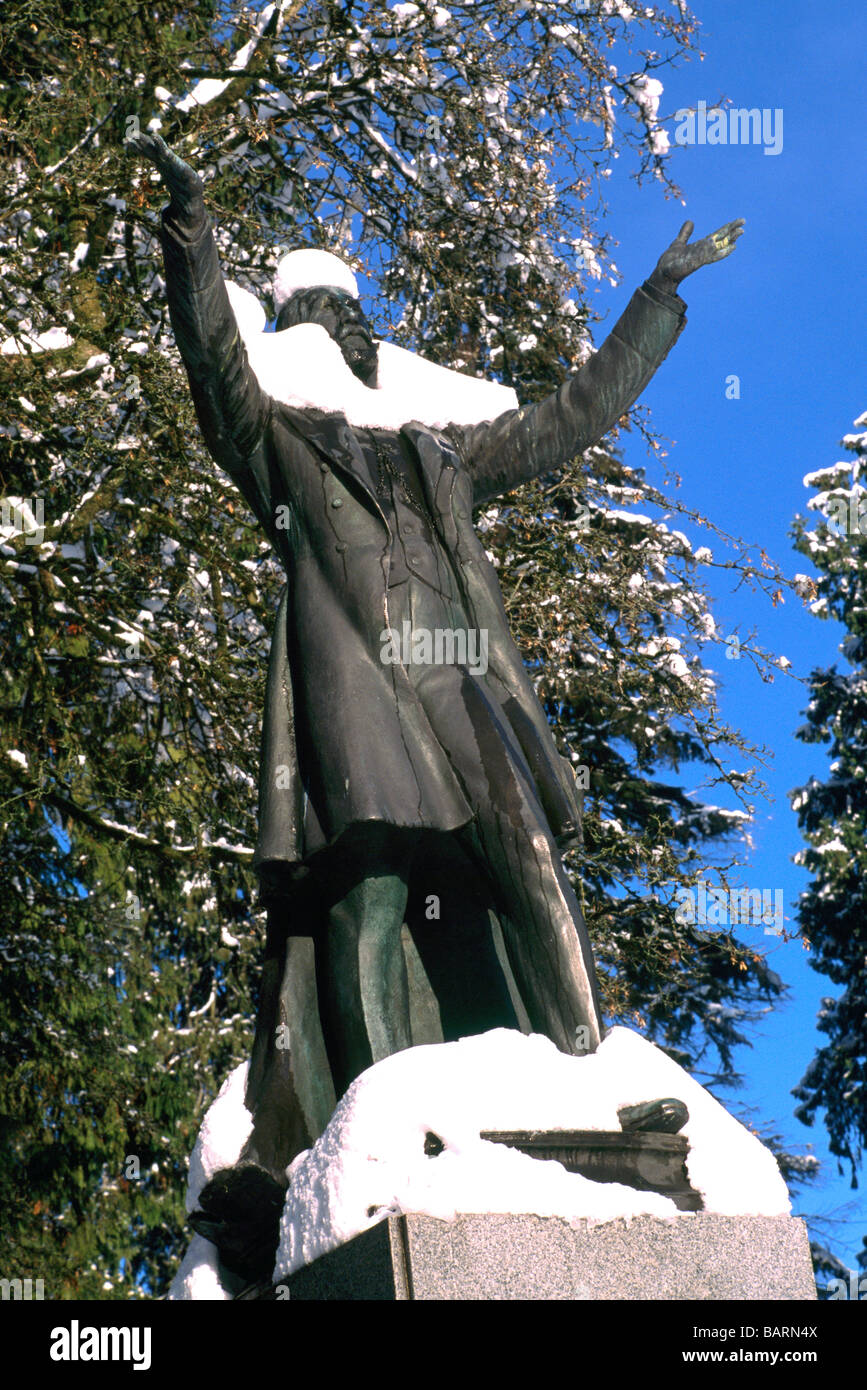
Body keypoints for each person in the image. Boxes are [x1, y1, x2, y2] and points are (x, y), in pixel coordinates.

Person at [128, 132, 743, 1230]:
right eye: (319, 312)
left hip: (458, 677)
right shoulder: (278, 438)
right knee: (368, 889)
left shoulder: (440, 451)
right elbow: (215, 363)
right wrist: (191, 230)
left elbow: (569, 419)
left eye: (351, 311)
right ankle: (382, 1115)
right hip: (354, 681)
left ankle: (592, 1075)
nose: (344, 330)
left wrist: (656, 297)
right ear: (297, 330)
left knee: (530, 856)